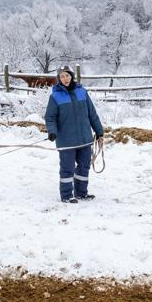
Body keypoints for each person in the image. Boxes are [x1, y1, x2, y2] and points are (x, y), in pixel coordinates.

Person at [44, 66, 104, 203]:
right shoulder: (55, 96)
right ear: (59, 78)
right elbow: (50, 117)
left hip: (85, 138)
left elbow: (92, 114)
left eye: (67, 75)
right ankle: (66, 195)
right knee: (67, 169)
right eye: (62, 76)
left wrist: (99, 131)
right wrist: (52, 131)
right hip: (66, 141)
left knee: (84, 167)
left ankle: (81, 193)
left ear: (72, 76)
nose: (65, 78)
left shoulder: (82, 92)